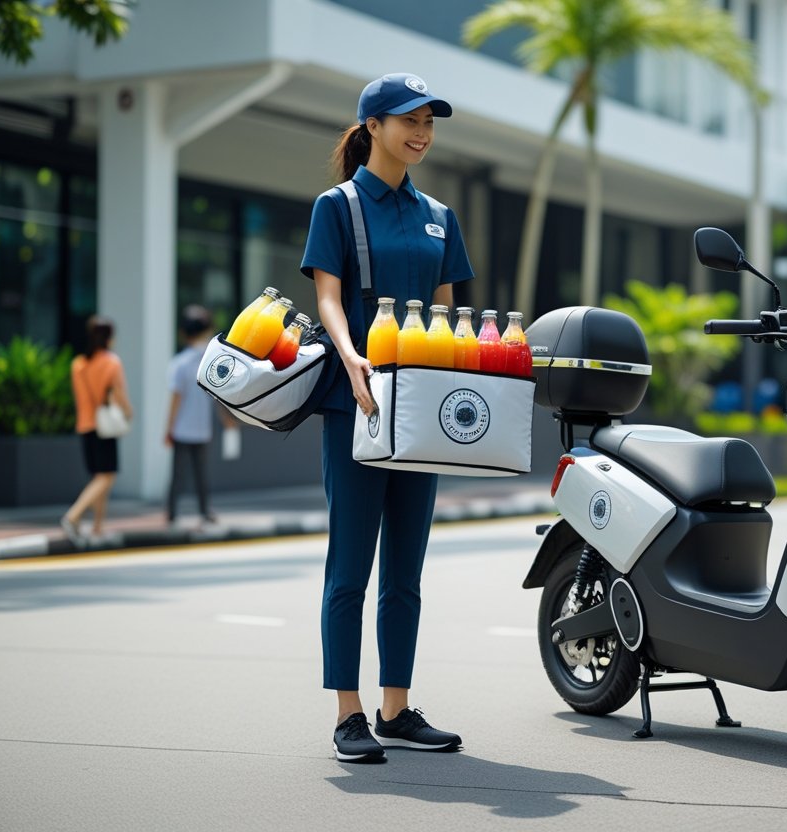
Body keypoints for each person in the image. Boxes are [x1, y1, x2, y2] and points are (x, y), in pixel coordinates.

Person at [300, 72, 474, 763]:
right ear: (371, 124)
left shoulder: (440, 215)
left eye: (430, 121)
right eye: (409, 119)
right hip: (360, 401)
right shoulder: (337, 207)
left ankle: (396, 708)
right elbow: (330, 298)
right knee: (351, 565)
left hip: (425, 412)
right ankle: (348, 715)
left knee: (407, 570)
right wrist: (348, 355)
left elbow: (449, 315)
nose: (422, 132)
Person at [62, 316, 133, 544]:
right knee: (105, 477)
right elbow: (120, 395)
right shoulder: (112, 362)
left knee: (99, 475)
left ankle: (97, 527)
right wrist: (129, 413)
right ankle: (73, 516)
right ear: (109, 337)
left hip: (85, 424)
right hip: (104, 427)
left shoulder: (78, 364)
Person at [165, 304, 233, 527]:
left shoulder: (179, 363)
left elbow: (176, 399)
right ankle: (205, 511)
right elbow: (216, 393)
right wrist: (225, 417)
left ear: (183, 333)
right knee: (201, 473)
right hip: (202, 427)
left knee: (178, 474)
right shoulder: (210, 360)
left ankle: (172, 513)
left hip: (182, 428)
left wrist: (168, 428)